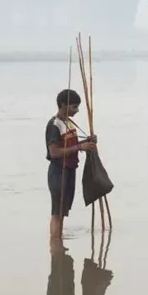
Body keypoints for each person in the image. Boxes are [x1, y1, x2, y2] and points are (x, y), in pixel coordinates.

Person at [46, 88, 97, 252]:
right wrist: (80, 147)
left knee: (63, 211)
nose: (76, 110)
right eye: (74, 107)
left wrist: (87, 142)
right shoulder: (55, 124)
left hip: (69, 170)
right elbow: (54, 152)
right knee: (57, 212)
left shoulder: (68, 122)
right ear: (63, 105)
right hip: (58, 171)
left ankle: (59, 245)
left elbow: (70, 144)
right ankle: (55, 246)